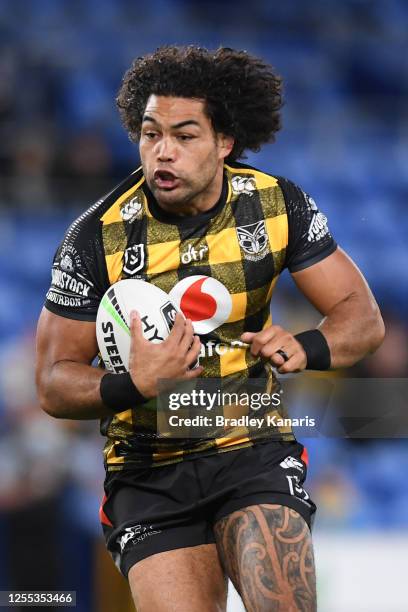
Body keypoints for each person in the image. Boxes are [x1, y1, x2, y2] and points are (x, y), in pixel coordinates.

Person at [36, 46, 385, 612]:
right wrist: (134, 382)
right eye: (151, 134)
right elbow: (52, 382)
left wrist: (307, 344)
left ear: (224, 141)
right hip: (146, 471)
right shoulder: (95, 237)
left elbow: (362, 317)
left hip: (252, 449)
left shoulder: (275, 205)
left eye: (185, 135)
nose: (162, 153)